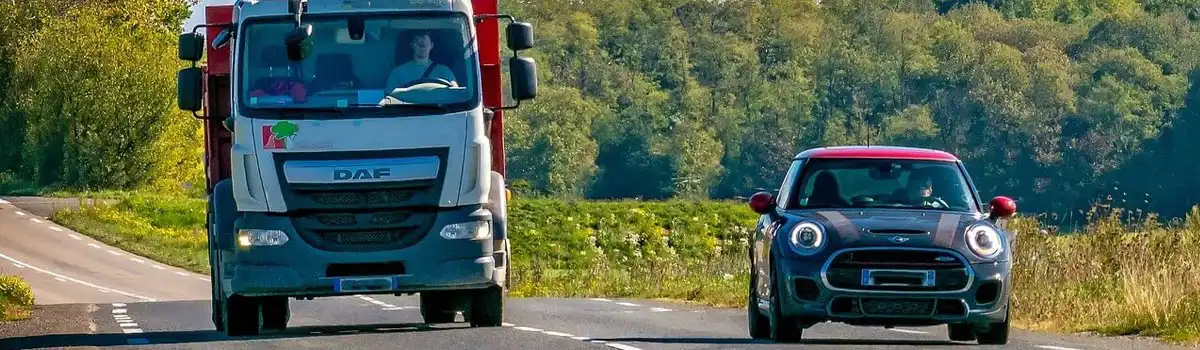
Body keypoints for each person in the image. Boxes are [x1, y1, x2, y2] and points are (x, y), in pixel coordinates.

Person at [385, 30, 457, 90]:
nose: (422, 40)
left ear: (431, 45)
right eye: (418, 42)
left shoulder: (444, 71)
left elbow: (455, 95)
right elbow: (389, 100)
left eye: (424, 43)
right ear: (412, 45)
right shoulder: (398, 73)